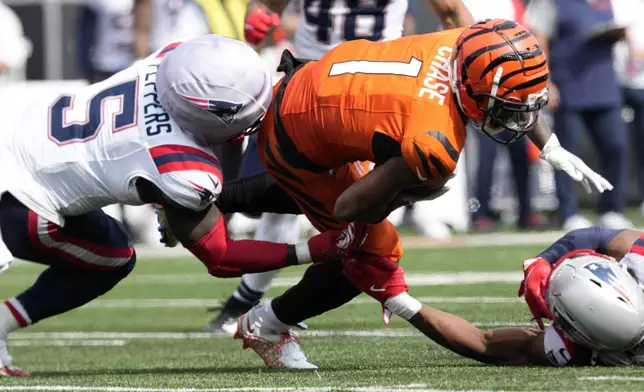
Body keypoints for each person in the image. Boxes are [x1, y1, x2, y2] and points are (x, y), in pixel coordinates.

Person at [232, 19, 613, 369]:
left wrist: (550, 146)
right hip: (296, 139)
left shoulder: (463, 42)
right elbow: (347, 206)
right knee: (371, 250)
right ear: (472, 92)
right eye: (506, 109)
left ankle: (214, 199)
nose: (518, 120)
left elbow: (509, 87)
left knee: (334, 192)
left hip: (309, 82)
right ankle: (266, 324)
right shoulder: (435, 138)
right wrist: (410, 193)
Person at [0, 35, 361, 377]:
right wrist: (314, 248)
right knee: (112, 259)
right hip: (24, 196)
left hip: (23, 134)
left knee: (111, 247)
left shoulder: (171, 57)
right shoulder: (181, 168)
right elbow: (221, 257)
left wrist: (166, 197)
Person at [206, 0, 476, 334]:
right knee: (305, 205)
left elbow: (455, 17)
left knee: (360, 228)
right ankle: (249, 304)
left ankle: (267, 310)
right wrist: (256, 24)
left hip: (371, 91)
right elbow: (265, 7)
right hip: (310, 83)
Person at [399, 227, 644, 366]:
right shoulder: (569, 348)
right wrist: (543, 260)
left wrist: (399, 301)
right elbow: (482, 344)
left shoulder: (570, 350)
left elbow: (484, 344)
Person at [525, 0, 633, 231]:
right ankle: (569, 212)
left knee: (616, 147)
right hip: (568, 87)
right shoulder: (552, 3)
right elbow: (540, 40)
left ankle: (611, 209)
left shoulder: (609, 2)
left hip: (605, 87)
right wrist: (546, 80)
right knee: (565, 151)